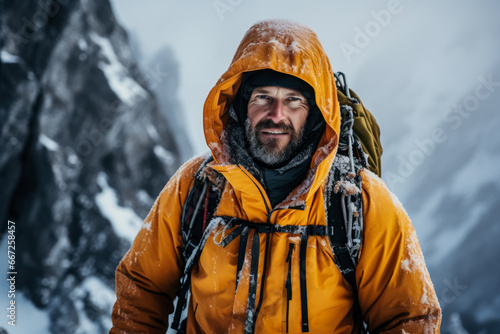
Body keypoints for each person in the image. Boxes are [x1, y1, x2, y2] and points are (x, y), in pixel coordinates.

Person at [110, 19, 442, 333]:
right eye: (263, 98)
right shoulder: (197, 185)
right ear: (241, 105)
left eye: (294, 101)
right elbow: (141, 289)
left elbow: (410, 317)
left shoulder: (360, 200)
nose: (276, 114)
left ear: (315, 114)